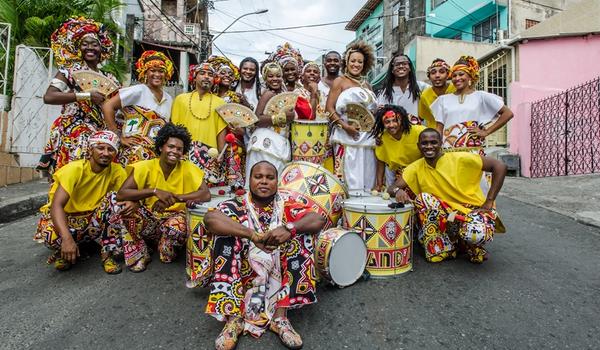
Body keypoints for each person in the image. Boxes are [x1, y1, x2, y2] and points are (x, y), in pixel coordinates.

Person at [203, 161, 326, 350]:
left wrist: (289, 228)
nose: (264, 182)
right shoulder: (236, 204)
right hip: (243, 269)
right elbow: (210, 219)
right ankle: (234, 317)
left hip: (278, 266)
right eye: (258, 176)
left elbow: (318, 219)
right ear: (249, 180)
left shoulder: (287, 204)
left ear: (277, 182)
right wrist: (251, 235)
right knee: (225, 238)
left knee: (301, 238)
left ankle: (280, 318)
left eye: (270, 177)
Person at [388, 128, 507, 264]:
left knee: (476, 233)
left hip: (472, 210)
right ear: (418, 146)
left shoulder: (460, 158)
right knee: (423, 199)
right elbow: (391, 188)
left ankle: (470, 245)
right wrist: (398, 190)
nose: (429, 146)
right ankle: (444, 247)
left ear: (441, 144)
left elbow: (500, 166)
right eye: (424, 143)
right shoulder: (415, 167)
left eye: (433, 142)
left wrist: (489, 201)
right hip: (447, 215)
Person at [116, 123, 210, 272]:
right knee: (124, 207)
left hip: (175, 218)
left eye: (179, 149)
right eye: (171, 147)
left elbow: (205, 194)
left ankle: (160, 245)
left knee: (167, 254)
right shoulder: (145, 166)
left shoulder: (188, 167)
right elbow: (122, 193)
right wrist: (153, 191)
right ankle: (140, 254)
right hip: (151, 216)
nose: (175, 151)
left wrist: (174, 198)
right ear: (161, 147)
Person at [36, 131, 129, 273]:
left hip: (92, 220)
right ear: (90, 150)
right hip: (68, 219)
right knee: (50, 235)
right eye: (100, 148)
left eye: (110, 149)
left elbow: (125, 197)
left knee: (116, 200)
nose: (106, 153)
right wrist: (66, 239)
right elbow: (57, 206)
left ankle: (107, 255)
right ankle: (67, 250)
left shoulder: (117, 171)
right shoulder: (74, 169)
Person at [37, 16, 120, 175]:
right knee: (73, 174)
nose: (90, 48)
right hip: (74, 130)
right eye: (85, 44)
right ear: (78, 48)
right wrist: (85, 96)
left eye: (94, 44)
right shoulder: (69, 72)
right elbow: (49, 97)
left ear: (101, 49)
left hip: (100, 132)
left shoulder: (110, 79)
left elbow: (117, 106)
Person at [102, 50, 174, 166]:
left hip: (156, 154)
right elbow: (108, 106)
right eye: (152, 70)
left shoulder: (169, 99)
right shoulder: (138, 90)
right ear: (145, 73)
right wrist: (118, 136)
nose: (157, 74)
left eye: (161, 71)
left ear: (166, 74)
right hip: (134, 152)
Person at [431, 56, 514, 153]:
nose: (457, 78)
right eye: (454, 76)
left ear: (470, 76)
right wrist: (436, 149)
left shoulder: (481, 96)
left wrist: (486, 132)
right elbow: (439, 128)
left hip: (473, 151)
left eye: (461, 74)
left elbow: (508, 113)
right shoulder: (442, 100)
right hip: (449, 152)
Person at [326, 40, 378, 193]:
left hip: (367, 138)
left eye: (360, 62)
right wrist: (346, 126)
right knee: (348, 177)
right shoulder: (340, 81)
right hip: (345, 137)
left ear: (365, 64)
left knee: (367, 176)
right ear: (346, 62)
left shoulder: (367, 85)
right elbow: (329, 108)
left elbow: (371, 112)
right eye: (353, 61)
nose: (356, 64)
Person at [171, 62, 227, 185]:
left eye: (210, 74)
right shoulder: (181, 99)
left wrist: (221, 154)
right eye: (202, 73)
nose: (206, 76)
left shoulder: (220, 102)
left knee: (205, 193)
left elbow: (221, 130)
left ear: (215, 80)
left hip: (209, 154)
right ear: (194, 77)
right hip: (184, 152)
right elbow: (174, 129)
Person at [245, 62, 295, 177]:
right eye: (271, 76)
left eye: (278, 76)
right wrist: (281, 117)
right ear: (265, 79)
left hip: (280, 140)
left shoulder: (285, 95)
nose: (275, 79)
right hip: (265, 141)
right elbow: (257, 119)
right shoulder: (268, 94)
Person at [371, 105, 426, 190]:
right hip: (400, 177)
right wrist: (379, 184)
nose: (391, 125)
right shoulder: (382, 137)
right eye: (387, 122)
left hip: (421, 173)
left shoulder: (419, 132)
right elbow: (380, 161)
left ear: (402, 120)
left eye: (395, 121)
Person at [376, 54, 429, 125]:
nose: (401, 66)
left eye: (404, 63)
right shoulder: (385, 92)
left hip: (417, 132)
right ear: (392, 69)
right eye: (397, 64)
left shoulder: (421, 87)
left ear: (410, 68)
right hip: (394, 132)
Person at [418, 58, 456, 127]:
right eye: (433, 73)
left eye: (441, 72)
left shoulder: (455, 90)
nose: (437, 75)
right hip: (434, 134)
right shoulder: (425, 96)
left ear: (447, 75)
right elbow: (423, 117)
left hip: (455, 131)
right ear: (429, 76)